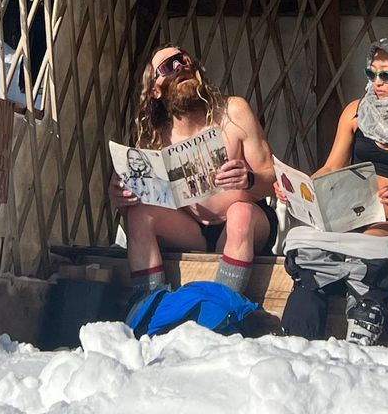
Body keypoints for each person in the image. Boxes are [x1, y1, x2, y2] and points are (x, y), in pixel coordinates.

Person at [279, 34, 388, 344]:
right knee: (309, 242)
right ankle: (299, 332)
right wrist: (301, 188)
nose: (376, 82)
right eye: (371, 73)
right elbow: (331, 168)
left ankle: (361, 321)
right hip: (347, 221)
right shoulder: (355, 112)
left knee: (372, 243)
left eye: (387, 75)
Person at [109, 46, 277, 301]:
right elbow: (141, 204)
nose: (180, 67)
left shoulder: (232, 113)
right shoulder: (156, 136)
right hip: (191, 230)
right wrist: (123, 198)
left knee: (239, 214)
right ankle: (149, 308)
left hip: (248, 224)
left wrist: (250, 179)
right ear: (155, 90)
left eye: (184, 60)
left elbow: (271, 177)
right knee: (139, 216)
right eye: (167, 66)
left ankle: (221, 310)